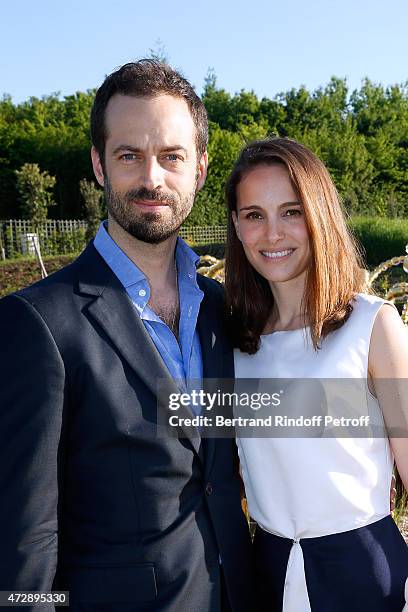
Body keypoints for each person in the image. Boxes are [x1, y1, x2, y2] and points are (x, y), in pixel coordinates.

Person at [0, 60, 252, 612]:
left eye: (171, 156)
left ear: (201, 168)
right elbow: (24, 537)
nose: (152, 178)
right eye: (129, 155)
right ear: (98, 164)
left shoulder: (223, 311)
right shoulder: (37, 323)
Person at [224, 137, 408, 611]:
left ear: (319, 214)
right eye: (254, 215)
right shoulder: (233, 346)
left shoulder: (372, 326)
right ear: (237, 227)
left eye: (291, 211)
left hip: (365, 577)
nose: (272, 234)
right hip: (266, 574)